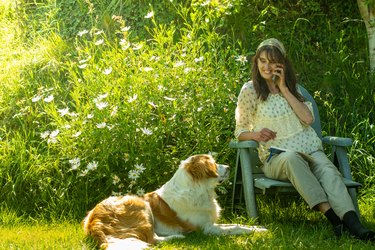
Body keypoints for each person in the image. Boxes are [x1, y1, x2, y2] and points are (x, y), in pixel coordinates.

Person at [234, 38, 375, 241]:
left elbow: (308, 119)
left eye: (272, 61)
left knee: (329, 172)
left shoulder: (293, 88)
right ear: (256, 62)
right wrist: (256, 135)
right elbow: (239, 130)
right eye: (262, 61)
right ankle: (334, 219)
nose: (267, 66)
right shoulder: (250, 90)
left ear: (281, 64)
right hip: (277, 158)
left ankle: (356, 227)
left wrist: (283, 88)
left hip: (310, 150)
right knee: (292, 158)